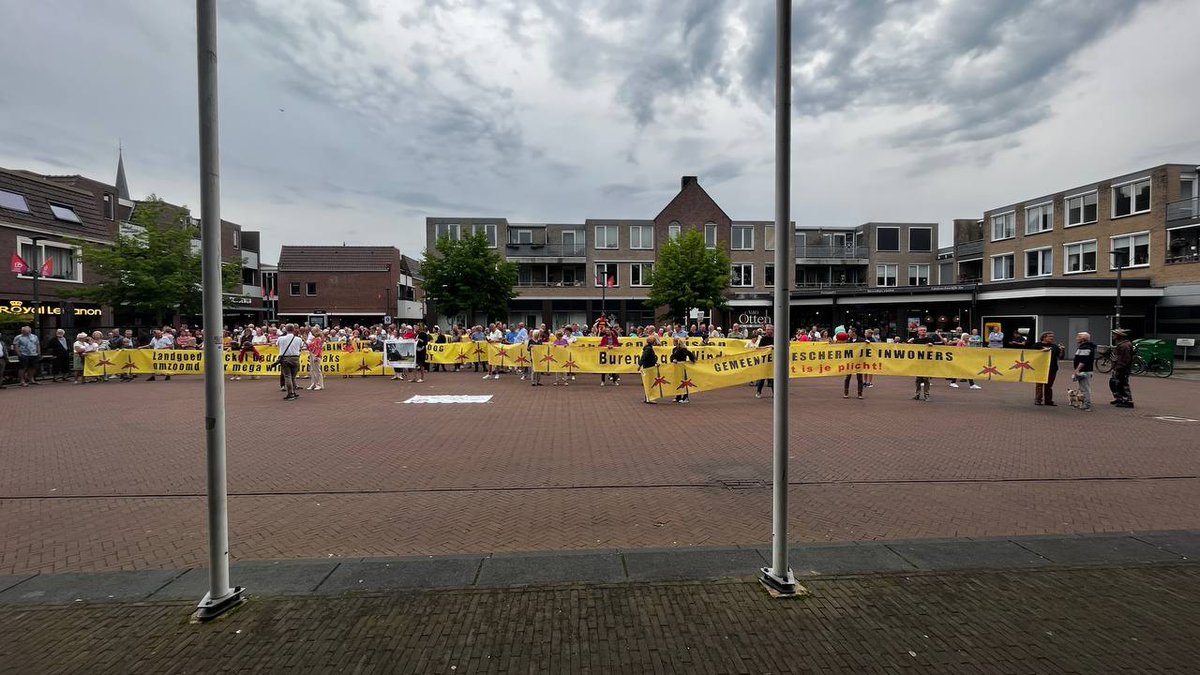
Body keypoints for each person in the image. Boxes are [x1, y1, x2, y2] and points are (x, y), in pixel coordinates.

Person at [907, 325, 942, 401]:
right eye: (921, 330)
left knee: (926, 380)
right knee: (917, 380)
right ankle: (917, 395)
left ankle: (927, 395)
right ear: (918, 332)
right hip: (918, 363)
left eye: (924, 330)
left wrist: (932, 346)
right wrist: (909, 343)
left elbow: (936, 351)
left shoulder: (930, 340)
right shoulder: (915, 340)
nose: (923, 331)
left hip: (927, 363)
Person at [1034, 331, 1064, 406]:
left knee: (1049, 385)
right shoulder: (1036, 345)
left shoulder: (1055, 346)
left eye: (1052, 337)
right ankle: (1038, 400)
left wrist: (1062, 350)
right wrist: (1042, 351)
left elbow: (1061, 357)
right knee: (1039, 385)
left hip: (1052, 368)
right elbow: (1031, 355)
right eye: (1050, 337)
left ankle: (1048, 400)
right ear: (1044, 337)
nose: (1052, 338)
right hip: (1040, 368)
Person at [277, 324, 304, 401]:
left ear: (286, 329)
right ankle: (293, 392)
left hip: (285, 358)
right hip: (295, 358)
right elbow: (300, 347)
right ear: (293, 329)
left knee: (287, 376)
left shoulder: (280, 338)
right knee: (293, 376)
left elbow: (277, 346)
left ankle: (290, 393)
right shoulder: (298, 339)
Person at [1109, 328, 1135, 408]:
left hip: (1122, 369)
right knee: (1113, 383)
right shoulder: (1121, 344)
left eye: (1114, 334)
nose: (1113, 336)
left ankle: (1127, 401)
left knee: (1122, 384)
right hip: (1118, 368)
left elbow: (1125, 359)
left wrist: (1118, 368)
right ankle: (1119, 398)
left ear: (1119, 336)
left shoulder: (1125, 346)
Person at [1071, 331, 1096, 412]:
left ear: (1083, 339)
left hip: (1084, 371)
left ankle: (1086, 405)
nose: (1076, 338)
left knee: (1085, 389)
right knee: (1083, 388)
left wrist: (1077, 370)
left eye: (1078, 337)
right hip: (1085, 370)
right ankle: (1084, 403)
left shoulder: (1085, 347)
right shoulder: (1085, 346)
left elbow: (1083, 360)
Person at [670, 337, 696, 403]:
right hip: (677, 367)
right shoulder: (674, 349)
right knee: (678, 382)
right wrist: (673, 360)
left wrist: (692, 360)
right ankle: (678, 396)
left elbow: (690, 354)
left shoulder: (683, 349)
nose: (673, 343)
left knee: (684, 382)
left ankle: (685, 397)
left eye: (674, 341)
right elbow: (672, 356)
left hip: (683, 367)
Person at [842, 328, 865, 399]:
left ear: (854, 333)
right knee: (847, 378)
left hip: (859, 362)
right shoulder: (848, 341)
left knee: (860, 378)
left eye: (849, 332)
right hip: (850, 363)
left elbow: (869, 345)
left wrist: (868, 343)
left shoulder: (861, 340)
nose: (848, 334)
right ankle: (846, 393)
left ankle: (860, 394)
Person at [755, 324, 775, 399]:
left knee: (773, 378)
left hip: (773, 361)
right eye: (767, 330)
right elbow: (759, 348)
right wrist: (769, 347)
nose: (769, 331)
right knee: (762, 378)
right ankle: (758, 392)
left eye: (770, 329)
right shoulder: (763, 339)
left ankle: (774, 393)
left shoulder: (776, 338)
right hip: (765, 361)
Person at [638, 334, 658, 403]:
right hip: (649, 367)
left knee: (648, 382)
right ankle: (649, 398)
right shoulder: (649, 349)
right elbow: (644, 357)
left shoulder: (647, 348)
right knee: (650, 383)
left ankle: (647, 397)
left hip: (648, 366)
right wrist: (640, 364)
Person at [306, 327, 325, 391]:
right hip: (312, 354)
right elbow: (311, 346)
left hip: (315, 355)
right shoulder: (315, 339)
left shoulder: (318, 339)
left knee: (317, 370)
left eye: (312, 331)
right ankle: (313, 383)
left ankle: (319, 384)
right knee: (312, 370)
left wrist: (317, 356)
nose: (311, 332)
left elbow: (318, 348)